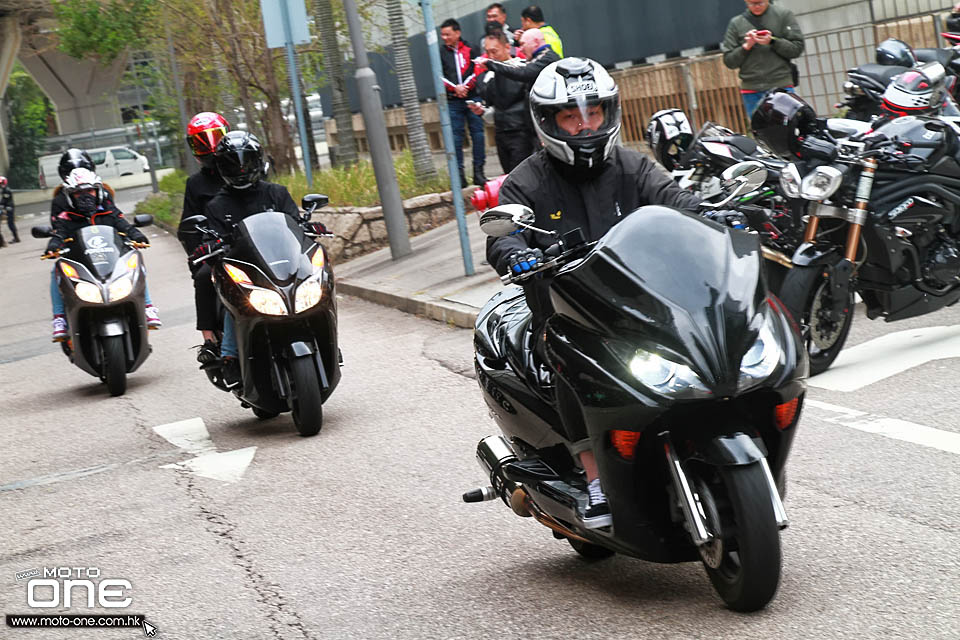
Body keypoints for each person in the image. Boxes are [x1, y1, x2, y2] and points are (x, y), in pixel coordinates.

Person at [487, 58, 702, 529]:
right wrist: (513, 252)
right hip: (569, 311)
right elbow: (503, 233)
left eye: (593, 113)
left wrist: (707, 216)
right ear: (548, 122)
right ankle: (596, 479)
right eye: (570, 116)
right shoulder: (529, 179)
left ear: (609, 113)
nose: (585, 124)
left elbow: (675, 201)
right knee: (567, 357)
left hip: (644, 300)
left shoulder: (633, 167)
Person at [190, 131, 302, 388]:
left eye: (246, 161)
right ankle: (228, 354)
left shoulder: (276, 193)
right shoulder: (217, 205)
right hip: (243, 268)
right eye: (232, 163)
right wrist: (209, 244)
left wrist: (310, 226)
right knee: (232, 293)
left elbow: (294, 222)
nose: (240, 169)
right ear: (221, 168)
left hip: (279, 263)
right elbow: (212, 234)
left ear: (258, 161)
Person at [45, 168, 160, 341]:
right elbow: (59, 234)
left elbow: (124, 225)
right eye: (78, 193)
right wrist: (53, 245)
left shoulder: (108, 212)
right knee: (56, 270)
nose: (85, 196)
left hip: (111, 260)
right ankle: (59, 318)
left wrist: (137, 236)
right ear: (70, 196)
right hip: (82, 264)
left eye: (89, 190)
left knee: (136, 261)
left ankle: (148, 306)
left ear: (98, 191)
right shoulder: (66, 217)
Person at [177, 112, 230, 364]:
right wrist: (198, 253)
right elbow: (188, 226)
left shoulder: (248, 170)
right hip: (218, 249)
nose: (211, 147)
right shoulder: (195, 184)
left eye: (216, 138)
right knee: (203, 277)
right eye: (201, 142)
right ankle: (209, 339)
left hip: (253, 245)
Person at [722, 0, 805, 118]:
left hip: (781, 86)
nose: (756, 7)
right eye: (752, 3)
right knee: (761, 132)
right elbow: (729, 61)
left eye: (760, 3)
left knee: (789, 127)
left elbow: (797, 49)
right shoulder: (736, 23)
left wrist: (773, 41)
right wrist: (746, 46)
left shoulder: (783, 15)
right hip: (751, 90)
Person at [470, 31, 538, 174]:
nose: (491, 56)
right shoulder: (486, 76)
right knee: (509, 175)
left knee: (520, 174)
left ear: (507, 47)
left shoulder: (523, 68)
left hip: (522, 131)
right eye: (488, 52)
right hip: (501, 132)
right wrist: (482, 111)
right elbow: (493, 108)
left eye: (494, 51)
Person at [439, 18, 487, 186]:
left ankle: (478, 172)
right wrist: (455, 88)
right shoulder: (440, 53)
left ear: (457, 33)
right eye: (442, 35)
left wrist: (466, 86)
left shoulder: (471, 48)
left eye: (448, 34)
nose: (444, 38)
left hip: (473, 97)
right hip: (453, 101)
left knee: (478, 135)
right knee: (455, 137)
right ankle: (459, 175)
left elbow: (478, 69)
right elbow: (439, 76)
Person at [50, 148, 97, 225]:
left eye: (89, 190)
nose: (78, 176)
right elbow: (58, 227)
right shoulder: (59, 200)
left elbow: (115, 216)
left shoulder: (103, 193)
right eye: (78, 192)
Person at [0, 176, 18, 244]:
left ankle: (16, 238)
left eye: (1, 183)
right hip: (7, 208)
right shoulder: (4, 189)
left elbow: (4, 200)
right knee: (9, 223)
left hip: (9, 208)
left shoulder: (6, 190)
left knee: (10, 223)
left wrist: (1, 206)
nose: (1, 185)